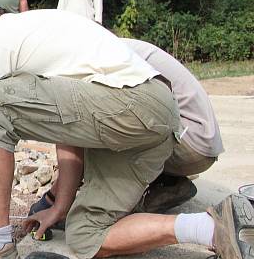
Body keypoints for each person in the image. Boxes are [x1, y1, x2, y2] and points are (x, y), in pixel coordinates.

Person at [0, 0, 254, 259]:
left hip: (130, 102)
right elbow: (69, 129)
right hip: (156, 118)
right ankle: (212, 228)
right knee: (86, 235)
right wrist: (61, 205)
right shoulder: (42, 32)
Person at [29, 38, 225, 217]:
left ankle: (114, 208)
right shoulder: (104, 45)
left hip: (189, 143)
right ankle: (165, 183)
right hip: (199, 141)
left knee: (94, 128)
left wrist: (55, 201)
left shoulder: (84, 61)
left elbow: (71, 136)